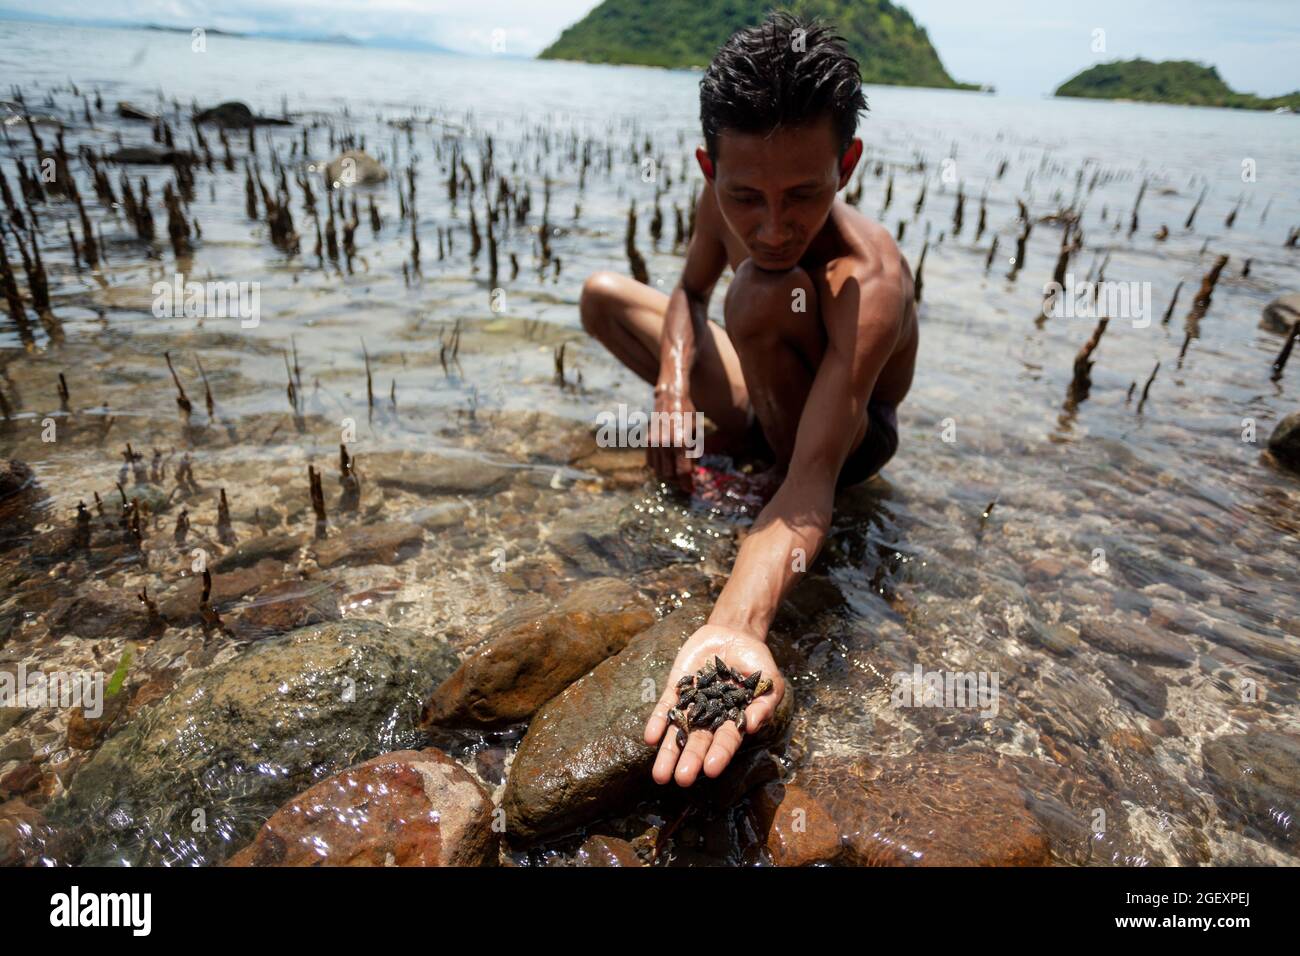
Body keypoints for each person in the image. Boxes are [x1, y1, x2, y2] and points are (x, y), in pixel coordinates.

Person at [578, 11, 918, 787]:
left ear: (849, 162)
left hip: (840, 442)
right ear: (709, 169)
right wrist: (670, 392)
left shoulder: (869, 283)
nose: (771, 226)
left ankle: (746, 469)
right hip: (762, 394)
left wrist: (732, 623)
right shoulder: (723, 197)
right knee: (603, 297)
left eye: (803, 195)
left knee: (763, 294)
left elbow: (809, 485)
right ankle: (734, 453)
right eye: (745, 198)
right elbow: (686, 294)